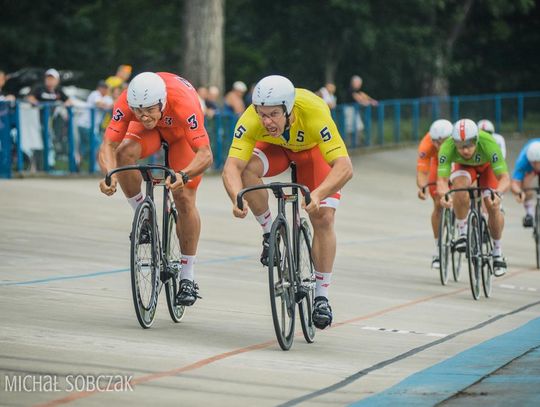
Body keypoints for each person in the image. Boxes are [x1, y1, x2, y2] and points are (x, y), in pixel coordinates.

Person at [222, 75, 353, 329]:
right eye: (262, 114)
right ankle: (270, 230)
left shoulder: (314, 111)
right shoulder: (251, 119)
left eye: (273, 114)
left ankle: (322, 296)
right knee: (248, 169)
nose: (267, 121)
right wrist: (236, 197)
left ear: (289, 109)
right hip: (276, 149)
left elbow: (345, 167)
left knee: (323, 217)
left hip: (312, 153)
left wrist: (317, 194)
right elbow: (231, 168)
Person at [98, 72, 213, 306]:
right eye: (138, 110)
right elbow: (109, 145)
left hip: (181, 135)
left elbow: (205, 154)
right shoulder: (128, 103)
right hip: (147, 133)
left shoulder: (183, 103)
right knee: (123, 154)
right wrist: (109, 175)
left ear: (161, 101)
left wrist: (183, 175)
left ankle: (188, 276)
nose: (144, 115)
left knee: (183, 197)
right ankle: (144, 214)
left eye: (150, 109)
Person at [437, 119, 510, 277]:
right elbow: (441, 181)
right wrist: (444, 195)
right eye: (460, 145)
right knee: (459, 187)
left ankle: (497, 252)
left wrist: (498, 193)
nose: (465, 150)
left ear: (476, 139)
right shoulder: (446, 147)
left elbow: (504, 178)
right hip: (464, 168)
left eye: (470, 144)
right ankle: (463, 232)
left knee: (492, 205)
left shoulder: (489, 142)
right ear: (454, 142)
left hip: (487, 168)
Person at [416, 119, 453, 269]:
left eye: (442, 142)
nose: (438, 146)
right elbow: (422, 172)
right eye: (435, 142)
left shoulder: (455, 141)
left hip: (453, 160)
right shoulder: (426, 144)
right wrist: (423, 187)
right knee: (438, 203)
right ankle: (439, 247)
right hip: (437, 163)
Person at [77, 80, 113, 170]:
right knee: (97, 143)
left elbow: (113, 105)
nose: (104, 89)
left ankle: (77, 163)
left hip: (92, 127)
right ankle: (95, 167)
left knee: (85, 146)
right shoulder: (95, 94)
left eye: (105, 88)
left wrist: (109, 105)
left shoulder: (107, 97)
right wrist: (108, 106)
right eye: (102, 88)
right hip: (85, 125)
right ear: (99, 88)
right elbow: (99, 104)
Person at [510, 139, 540, 227]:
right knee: (526, 183)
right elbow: (514, 183)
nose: (536, 165)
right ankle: (530, 213)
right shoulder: (522, 162)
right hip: (529, 170)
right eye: (534, 163)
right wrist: (520, 192)